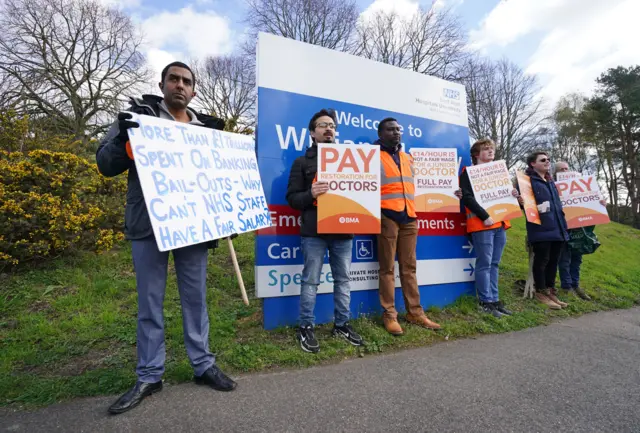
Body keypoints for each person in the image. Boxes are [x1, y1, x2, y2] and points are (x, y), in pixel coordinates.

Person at [97, 61, 236, 415]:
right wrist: (125, 143)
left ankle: (203, 365)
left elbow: (222, 180)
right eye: (173, 79)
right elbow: (105, 164)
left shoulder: (207, 129)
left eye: (186, 81)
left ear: (194, 90)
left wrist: (228, 214)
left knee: (196, 298)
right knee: (150, 302)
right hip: (148, 225)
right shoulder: (136, 117)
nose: (179, 85)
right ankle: (149, 374)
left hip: (194, 226)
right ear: (162, 85)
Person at [286, 109, 364, 353]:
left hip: (343, 232)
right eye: (322, 125)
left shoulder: (353, 161)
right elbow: (291, 198)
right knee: (310, 281)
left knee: (343, 281)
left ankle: (342, 324)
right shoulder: (301, 163)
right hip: (314, 233)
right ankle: (306, 327)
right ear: (312, 133)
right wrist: (311, 194)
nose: (328, 128)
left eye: (332, 125)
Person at [375, 118, 441, 335]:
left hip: (410, 217)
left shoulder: (408, 157)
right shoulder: (371, 157)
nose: (396, 133)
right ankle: (390, 315)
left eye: (398, 129)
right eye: (390, 129)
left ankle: (415, 312)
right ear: (381, 133)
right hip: (387, 217)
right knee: (387, 268)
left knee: (409, 267)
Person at [460, 138, 523, 317]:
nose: (490, 151)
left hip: (500, 223)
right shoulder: (468, 172)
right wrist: (484, 216)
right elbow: (467, 197)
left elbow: (504, 195)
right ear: (476, 154)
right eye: (485, 149)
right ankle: (485, 301)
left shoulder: (499, 173)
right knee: (485, 263)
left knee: (494, 264)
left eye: (491, 149)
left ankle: (495, 300)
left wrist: (513, 194)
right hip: (482, 224)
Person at [523, 151, 570, 310]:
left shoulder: (551, 182)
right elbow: (525, 205)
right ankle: (540, 291)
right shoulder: (527, 181)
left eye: (549, 160)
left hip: (557, 228)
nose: (547, 162)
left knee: (553, 261)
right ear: (532, 164)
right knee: (542, 260)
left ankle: (550, 290)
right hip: (541, 229)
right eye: (543, 160)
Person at [554, 161, 606, 301]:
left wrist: (600, 204)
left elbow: (590, 201)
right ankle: (567, 286)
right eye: (561, 169)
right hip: (562, 228)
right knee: (564, 259)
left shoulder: (581, 186)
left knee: (577, 258)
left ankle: (575, 285)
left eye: (566, 168)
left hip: (579, 229)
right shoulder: (553, 186)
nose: (564, 171)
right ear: (556, 172)